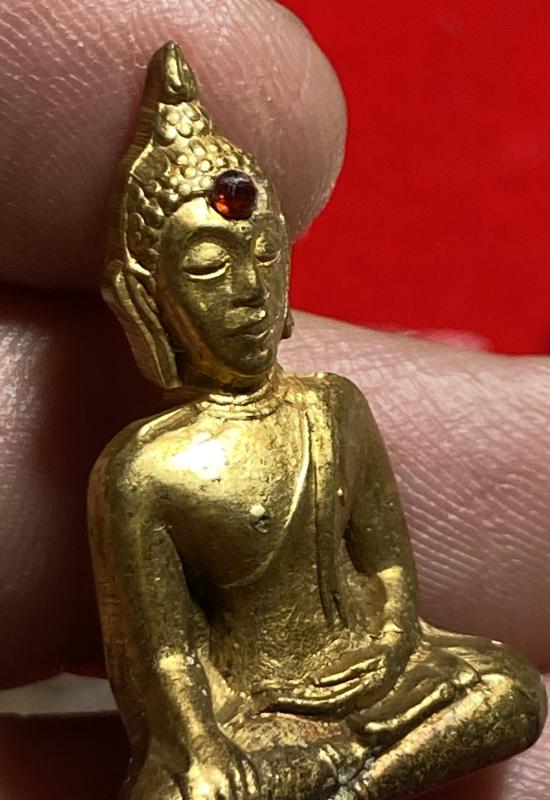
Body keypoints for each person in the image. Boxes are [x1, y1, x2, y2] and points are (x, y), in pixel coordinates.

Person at [0, 2, 548, 800]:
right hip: (259, 712)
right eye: (208, 266)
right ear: (148, 299)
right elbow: (165, 658)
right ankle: (355, 771)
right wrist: (203, 744)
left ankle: (358, 779)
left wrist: (388, 642)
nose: (247, 288)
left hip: (379, 675)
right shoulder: (146, 472)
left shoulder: (333, 407)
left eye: (261, 253)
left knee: (509, 687)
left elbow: (387, 566)